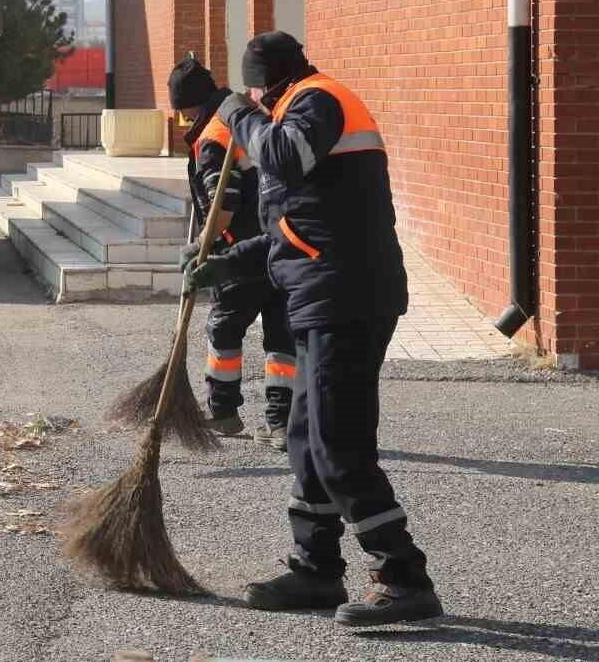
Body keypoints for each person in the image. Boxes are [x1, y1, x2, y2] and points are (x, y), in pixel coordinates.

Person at [182, 31, 441, 627]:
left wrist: (241, 117)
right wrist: (226, 261)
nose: (252, 101)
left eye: (253, 92)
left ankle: (402, 575)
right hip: (323, 292)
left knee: (337, 441)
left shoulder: (318, 100)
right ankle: (316, 569)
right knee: (304, 437)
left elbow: (282, 155)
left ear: (262, 81)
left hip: (347, 295)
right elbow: (292, 229)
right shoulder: (299, 107)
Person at [166, 55, 295, 449]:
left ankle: (223, 411)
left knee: (224, 327)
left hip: (242, 250)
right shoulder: (249, 116)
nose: (185, 122)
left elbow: (223, 206)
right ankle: (281, 423)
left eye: (183, 113)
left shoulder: (215, 136)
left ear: (191, 106)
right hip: (282, 242)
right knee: (282, 333)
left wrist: (201, 244)